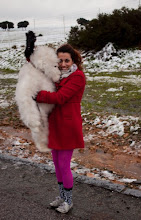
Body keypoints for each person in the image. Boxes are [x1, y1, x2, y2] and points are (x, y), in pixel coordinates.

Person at [36, 43, 86, 213]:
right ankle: (62, 197)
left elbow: (61, 97)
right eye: (60, 60)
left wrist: (38, 94)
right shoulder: (57, 76)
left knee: (64, 165)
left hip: (68, 126)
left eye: (67, 60)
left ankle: (69, 201)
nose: (63, 64)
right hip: (54, 125)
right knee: (57, 164)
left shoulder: (77, 76)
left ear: (73, 61)